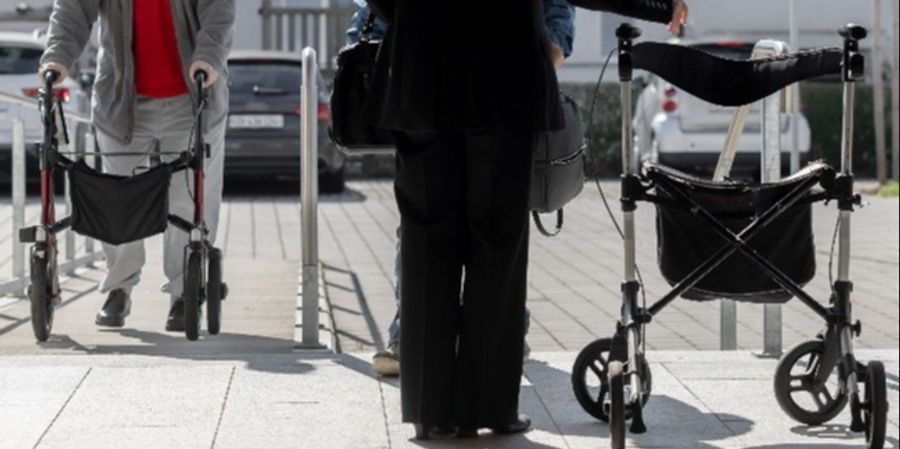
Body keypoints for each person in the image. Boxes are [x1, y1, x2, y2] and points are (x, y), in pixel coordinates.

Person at [364, 0, 688, 440]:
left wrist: (416, 19)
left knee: (426, 241)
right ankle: (489, 406)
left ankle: (428, 408)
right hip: (504, 72)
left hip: (421, 71)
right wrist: (657, 5)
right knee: (497, 245)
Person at [347, 0, 577, 377]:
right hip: (433, 83)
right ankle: (415, 338)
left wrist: (551, 45)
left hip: (499, 82)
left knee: (487, 220)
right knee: (430, 223)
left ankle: (497, 336)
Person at [39, 0, 235, 331]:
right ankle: (119, 287)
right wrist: (57, 58)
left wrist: (209, 57)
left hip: (191, 98)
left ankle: (183, 293)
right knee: (118, 197)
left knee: (187, 200)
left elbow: (218, 15)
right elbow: (72, 11)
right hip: (122, 100)